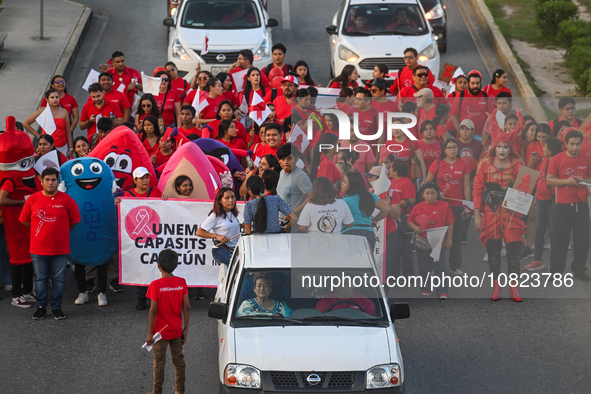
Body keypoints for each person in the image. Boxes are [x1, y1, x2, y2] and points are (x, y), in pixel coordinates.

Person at [19, 167, 81, 320]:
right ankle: (41, 307)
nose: (50, 183)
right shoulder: (33, 199)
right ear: (41, 181)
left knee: (58, 280)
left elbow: (74, 221)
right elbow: (26, 221)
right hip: (38, 249)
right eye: (47, 180)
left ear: (57, 181)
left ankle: (56, 308)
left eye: (53, 180)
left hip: (60, 249)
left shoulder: (66, 200)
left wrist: (60, 231)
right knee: (40, 279)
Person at [473, 132, 525, 301]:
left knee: (514, 251)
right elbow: (478, 189)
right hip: (491, 212)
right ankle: (496, 286)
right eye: (499, 146)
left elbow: (526, 187)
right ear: (494, 147)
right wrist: (477, 214)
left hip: (512, 213)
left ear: (511, 148)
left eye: (506, 147)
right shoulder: (485, 164)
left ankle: (514, 288)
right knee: (493, 251)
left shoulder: (518, 164)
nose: (502, 150)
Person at [547, 129, 591, 281]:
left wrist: (583, 180)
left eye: (577, 144)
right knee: (560, 238)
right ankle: (556, 272)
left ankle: (579, 269)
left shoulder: (586, 159)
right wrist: (566, 181)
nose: (575, 147)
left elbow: (590, 179)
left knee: (582, 238)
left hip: (581, 203)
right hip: (563, 204)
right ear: (565, 144)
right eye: (572, 144)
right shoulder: (557, 159)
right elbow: (549, 179)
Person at [146, 249, 190, 394]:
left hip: (160, 332)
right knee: (179, 362)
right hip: (177, 331)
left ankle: (156, 391)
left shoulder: (155, 285)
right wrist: (186, 329)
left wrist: (150, 333)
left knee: (159, 363)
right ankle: (179, 390)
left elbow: (153, 310)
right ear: (176, 265)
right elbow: (187, 307)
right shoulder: (182, 282)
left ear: (158, 265)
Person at [425, 138, 471, 275]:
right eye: (449, 147)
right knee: (437, 236)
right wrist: (437, 192)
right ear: (444, 150)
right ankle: (434, 266)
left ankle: (455, 266)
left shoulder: (464, 164)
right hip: (439, 205)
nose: (452, 150)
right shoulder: (437, 163)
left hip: (456, 205)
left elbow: (466, 186)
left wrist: (467, 206)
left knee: (455, 237)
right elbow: (428, 183)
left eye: (455, 147)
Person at [407, 182, 454, 299]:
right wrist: (415, 228)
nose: (430, 196)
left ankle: (442, 290)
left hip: (439, 241)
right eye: (427, 193)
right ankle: (426, 288)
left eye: (433, 193)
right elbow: (410, 220)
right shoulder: (418, 206)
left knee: (440, 266)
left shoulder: (444, 206)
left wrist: (449, 238)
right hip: (422, 240)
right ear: (422, 194)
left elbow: (450, 223)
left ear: (438, 193)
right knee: (423, 265)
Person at [525, 137, 562, 271]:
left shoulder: (558, 162)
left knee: (553, 232)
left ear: (551, 150)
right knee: (539, 230)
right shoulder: (545, 160)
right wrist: (535, 197)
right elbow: (540, 179)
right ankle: (537, 259)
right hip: (540, 199)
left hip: (552, 202)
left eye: (545, 147)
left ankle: (553, 261)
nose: (543, 149)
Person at [341, 171, 391, 251]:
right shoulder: (370, 196)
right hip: (369, 233)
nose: (342, 184)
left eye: (344, 182)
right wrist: (374, 220)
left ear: (352, 184)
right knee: (367, 262)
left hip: (350, 234)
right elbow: (386, 209)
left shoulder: (344, 200)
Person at [196, 187, 241, 266]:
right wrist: (216, 236)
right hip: (220, 249)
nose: (231, 200)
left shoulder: (233, 213)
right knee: (232, 265)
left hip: (235, 249)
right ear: (220, 201)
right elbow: (199, 232)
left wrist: (242, 225)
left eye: (233, 197)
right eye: (227, 198)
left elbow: (231, 227)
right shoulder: (215, 215)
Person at [24, 89, 73, 157]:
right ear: (47, 99)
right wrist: (38, 135)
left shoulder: (64, 112)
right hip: (46, 147)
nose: (55, 99)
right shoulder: (42, 111)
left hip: (63, 146)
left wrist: (71, 148)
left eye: (57, 97)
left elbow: (68, 132)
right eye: (52, 97)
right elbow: (26, 123)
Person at [388, 160, 416, 276]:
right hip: (393, 217)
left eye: (391, 168)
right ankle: (395, 274)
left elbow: (412, 200)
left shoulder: (407, 183)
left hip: (403, 219)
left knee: (404, 248)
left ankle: (408, 274)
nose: (389, 170)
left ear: (396, 171)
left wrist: (395, 202)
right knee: (395, 248)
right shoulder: (389, 182)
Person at [450, 71, 494, 136]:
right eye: (472, 83)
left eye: (477, 83)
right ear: (468, 84)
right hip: (463, 137)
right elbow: (453, 116)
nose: (475, 86)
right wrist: (460, 132)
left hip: (481, 137)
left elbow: (492, 116)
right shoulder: (460, 96)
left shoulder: (486, 96)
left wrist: (487, 134)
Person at [277, 143, 313, 216]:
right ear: (279, 160)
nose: (286, 162)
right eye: (283, 159)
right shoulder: (282, 172)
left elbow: (312, 197)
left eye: (290, 158)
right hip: (281, 221)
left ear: (297, 159)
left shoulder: (300, 176)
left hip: (294, 224)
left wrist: (294, 212)